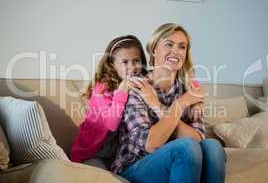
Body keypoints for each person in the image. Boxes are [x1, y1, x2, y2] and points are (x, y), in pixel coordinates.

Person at [111, 23, 227, 183]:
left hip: (179, 162)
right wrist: (181, 104)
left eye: (182, 47)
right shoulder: (138, 86)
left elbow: (197, 139)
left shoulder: (190, 90)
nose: (176, 51)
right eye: (168, 44)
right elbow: (151, 144)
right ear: (154, 50)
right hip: (135, 166)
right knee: (186, 148)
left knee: (213, 147)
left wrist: (158, 106)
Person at [71, 35, 148, 163]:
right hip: (94, 153)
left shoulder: (141, 82)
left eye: (136, 61)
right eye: (124, 62)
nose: (132, 67)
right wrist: (122, 91)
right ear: (112, 64)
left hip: (119, 154)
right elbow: (111, 125)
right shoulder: (102, 89)